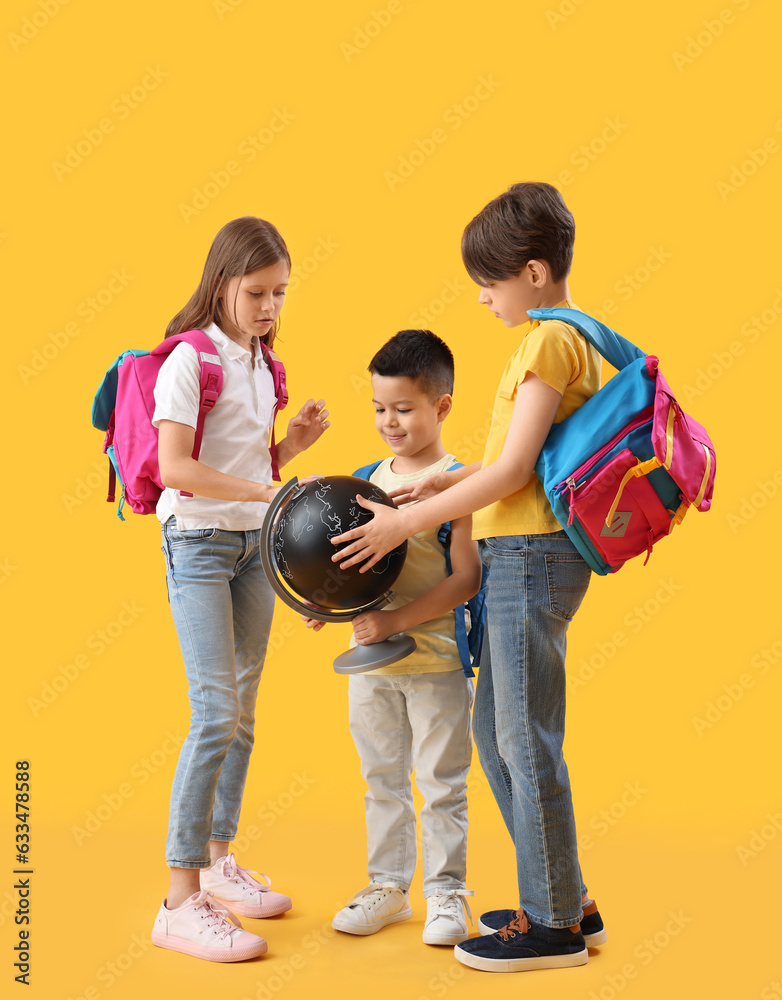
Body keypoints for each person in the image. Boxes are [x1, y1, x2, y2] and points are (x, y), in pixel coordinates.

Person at [328, 183, 607, 973]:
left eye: (488, 282)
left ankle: (553, 927)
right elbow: (532, 462)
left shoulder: (550, 341)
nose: (482, 298)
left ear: (533, 271)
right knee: (499, 737)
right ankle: (566, 894)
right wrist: (431, 488)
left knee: (523, 740)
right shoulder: (567, 337)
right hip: (531, 550)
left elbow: (517, 470)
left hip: (530, 555)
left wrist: (402, 520)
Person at [149, 216, 329, 963]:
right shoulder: (188, 362)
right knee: (215, 710)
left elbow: (252, 463)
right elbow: (176, 469)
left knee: (244, 711)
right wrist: (266, 496)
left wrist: (291, 449)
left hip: (252, 548)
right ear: (222, 282)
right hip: (196, 542)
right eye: (257, 292)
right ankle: (178, 899)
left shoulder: (263, 365)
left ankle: (221, 863)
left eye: (280, 293)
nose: (268, 307)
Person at [305, 330, 482, 946]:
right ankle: (387, 886)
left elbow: (466, 578)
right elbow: (350, 567)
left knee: (440, 782)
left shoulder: (461, 483)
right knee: (381, 778)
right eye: (379, 408)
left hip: (436, 661)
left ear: (442, 405)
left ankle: (447, 895)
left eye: (403, 408)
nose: (389, 421)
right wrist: (327, 605)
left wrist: (394, 623)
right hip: (370, 666)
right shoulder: (362, 481)